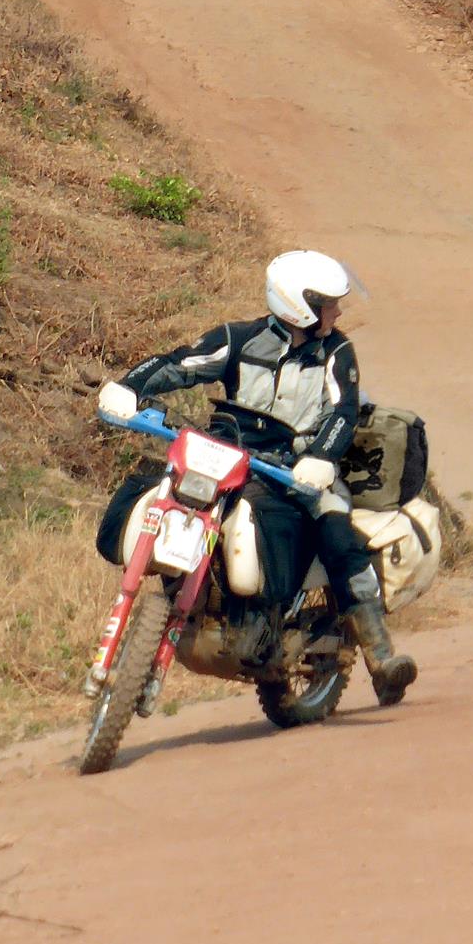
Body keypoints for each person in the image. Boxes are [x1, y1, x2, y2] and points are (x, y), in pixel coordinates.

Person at [96, 247, 416, 702]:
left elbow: (343, 411)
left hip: (299, 469)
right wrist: (128, 387)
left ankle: (380, 655)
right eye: (327, 303)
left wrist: (321, 458)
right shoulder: (239, 339)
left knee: (335, 529)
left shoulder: (336, 351)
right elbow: (178, 364)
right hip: (231, 457)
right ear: (298, 303)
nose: (336, 311)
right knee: (158, 487)